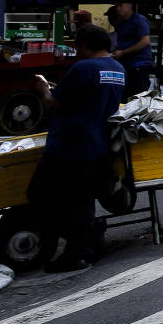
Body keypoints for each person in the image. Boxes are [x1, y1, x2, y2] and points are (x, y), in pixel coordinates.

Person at [32, 23, 127, 271]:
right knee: (81, 200)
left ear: (84, 46)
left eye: (76, 46)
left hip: (70, 143)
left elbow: (56, 102)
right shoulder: (118, 68)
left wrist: (44, 91)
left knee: (41, 194)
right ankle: (86, 245)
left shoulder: (83, 68)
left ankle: (78, 250)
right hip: (99, 143)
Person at [107, 0, 154, 98]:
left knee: (137, 97)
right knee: (125, 96)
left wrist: (123, 52)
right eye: (116, 6)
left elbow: (145, 41)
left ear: (129, 5)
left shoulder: (138, 20)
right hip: (126, 65)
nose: (117, 8)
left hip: (139, 65)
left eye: (120, 5)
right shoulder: (122, 22)